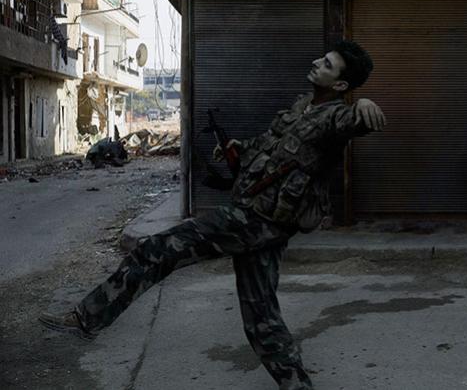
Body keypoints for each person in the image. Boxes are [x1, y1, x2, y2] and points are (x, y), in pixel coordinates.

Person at [39, 40, 386, 390]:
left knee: (159, 249)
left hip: (256, 221)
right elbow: (271, 145)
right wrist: (239, 147)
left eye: (326, 64)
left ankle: (87, 318)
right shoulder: (303, 106)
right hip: (262, 220)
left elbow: (352, 121)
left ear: (341, 85)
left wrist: (364, 107)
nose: (316, 63)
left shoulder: (335, 117)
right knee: (261, 318)